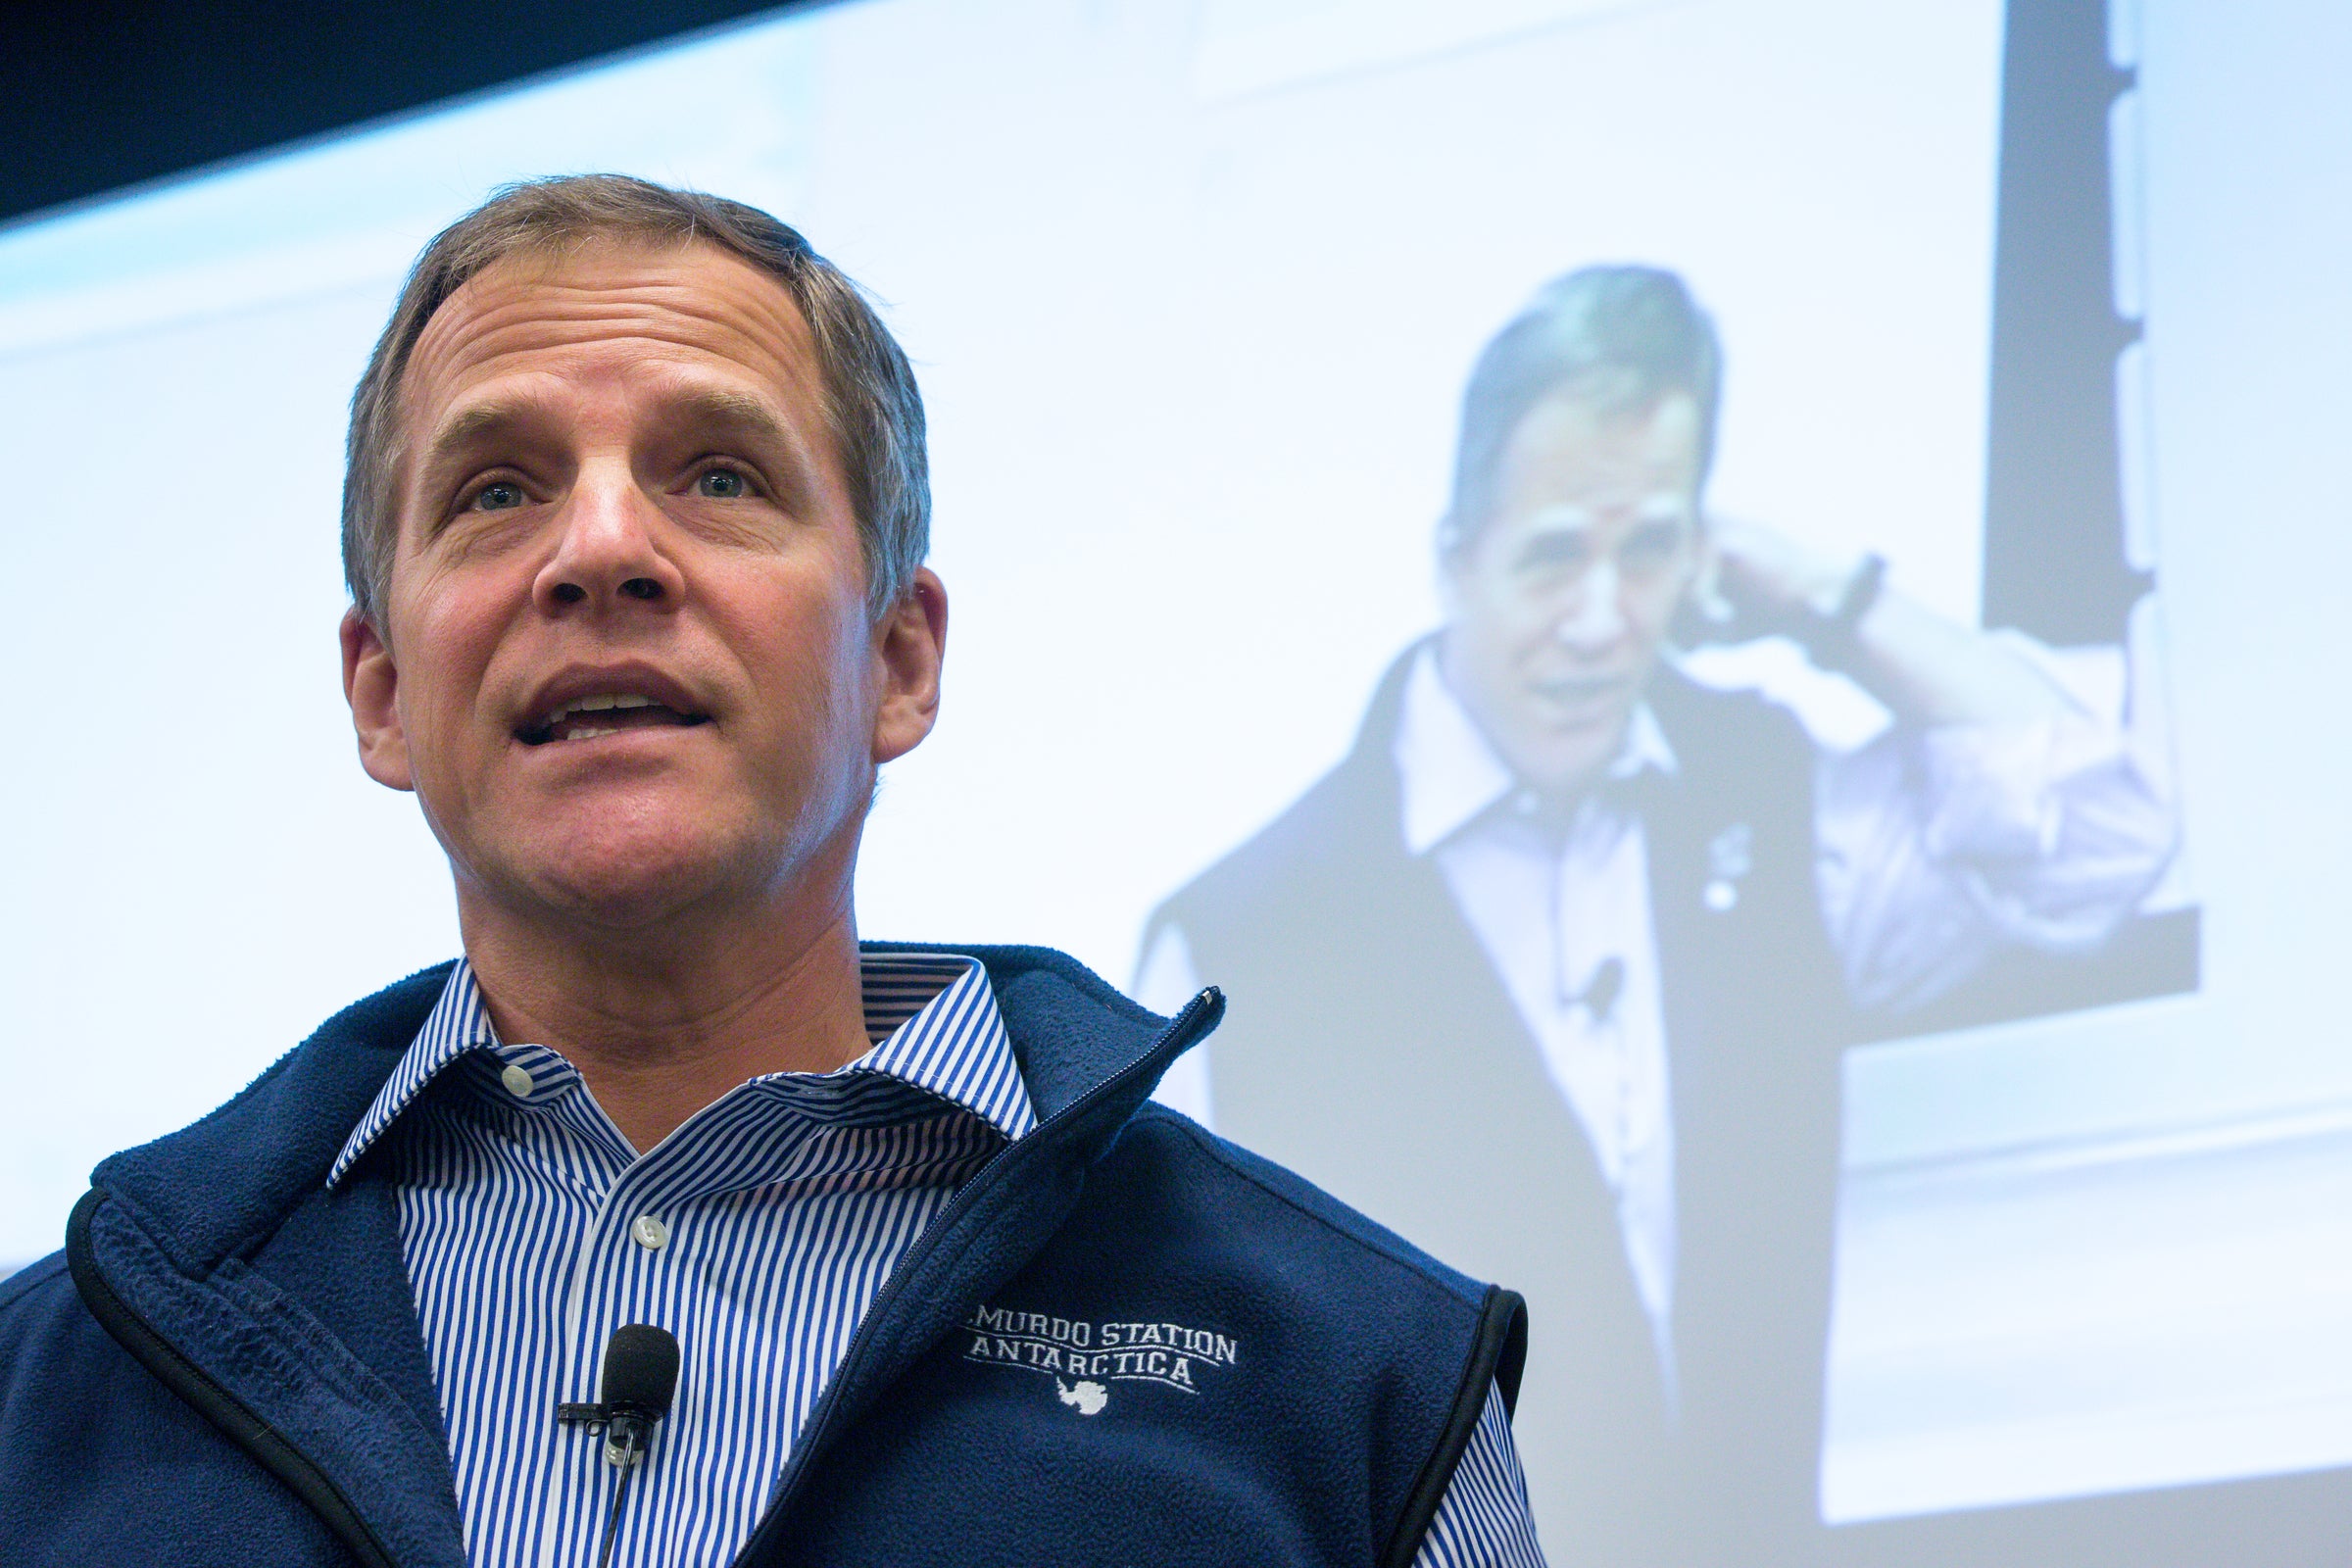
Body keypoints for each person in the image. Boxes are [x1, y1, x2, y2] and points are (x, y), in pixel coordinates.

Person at [0, 175, 1546, 1568]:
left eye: (721, 476)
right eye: (495, 491)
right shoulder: (48, 1388)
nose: (599, 551)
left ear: (898, 658)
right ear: (383, 692)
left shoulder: (1356, 1377)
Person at [1138, 266, 2180, 1564]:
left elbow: (2106, 835)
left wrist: (1828, 598)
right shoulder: (1244, 935)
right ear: (1455, 557)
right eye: (1554, 554)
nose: (1600, 621)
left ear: (1700, 552)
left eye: (1647, 552)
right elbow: (1199, 1406)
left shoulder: (1771, 802)